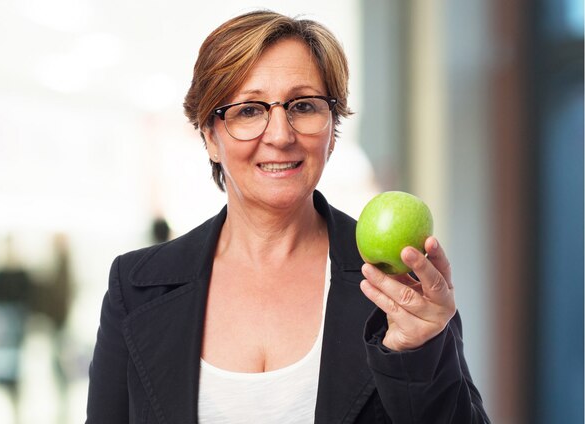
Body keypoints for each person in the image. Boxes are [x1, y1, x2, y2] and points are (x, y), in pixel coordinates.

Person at [86, 10, 490, 424]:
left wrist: (420, 356)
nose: (280, 135)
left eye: (303, 106)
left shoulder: (400, 285)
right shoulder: (135, 288)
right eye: (248, 110)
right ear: (210, 135)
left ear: (332, 131)